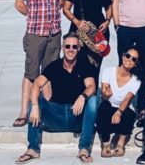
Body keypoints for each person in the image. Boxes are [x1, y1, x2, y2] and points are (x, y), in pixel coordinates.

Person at [16, 34, 99, 164]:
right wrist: (36, 107)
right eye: (67, 46)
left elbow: (92, 86)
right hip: (55, 116)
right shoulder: (54, 66)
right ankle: (33, 148)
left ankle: (84, 148)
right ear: (62, 48)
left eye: (74, 47)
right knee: (35, 103)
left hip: (75, 116)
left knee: (92, 100)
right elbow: (37, 84)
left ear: (78, 49)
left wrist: (82, 96)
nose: (70, 49)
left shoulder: (85, 66)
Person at [14, 0, 68, 129]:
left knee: (49, 73)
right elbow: (19, 3)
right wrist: (33, 14)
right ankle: (23, 112)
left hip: (54, 33)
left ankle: (47, 110)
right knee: (31, 73)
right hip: (35, 33)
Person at [64, 0, 113, 71]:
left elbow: (109, 8)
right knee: (75, 67)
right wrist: (77, 22)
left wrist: (107, 21)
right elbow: (65, 9)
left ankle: (92, 89)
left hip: (98, 35)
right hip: (78, 32)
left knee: (94, 69)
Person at [96, 45, 142, 157]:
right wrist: (105, 94)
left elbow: (127, 98)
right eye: (128, 56)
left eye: (134, 59)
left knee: (130, 113)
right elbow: (104, 92)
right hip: (108, 113)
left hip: (122, 112)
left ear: (136, 63)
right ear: (122, 56)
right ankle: (106, 143)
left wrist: (119, 111)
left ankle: (120, 144)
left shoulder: (136, 80)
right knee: (104, 106)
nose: (129, 60)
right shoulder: (108, 71)